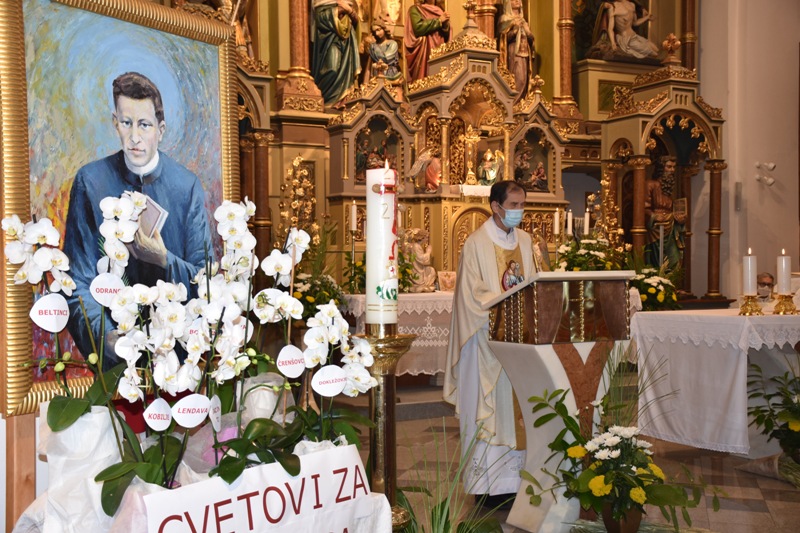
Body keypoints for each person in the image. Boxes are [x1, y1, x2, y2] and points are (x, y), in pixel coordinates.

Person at [63, 72, 211, 370]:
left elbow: (205, 279)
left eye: (144, 125)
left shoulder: (186, 187)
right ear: (114, 123)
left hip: (174, 361)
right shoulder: (90, 182)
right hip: (114, 363)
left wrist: (164, 259)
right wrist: (107, 337)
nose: (134, 137)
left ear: (161, 129)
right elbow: (77, 281)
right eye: (126, 123)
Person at [444, 180, 537, 502]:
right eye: (513, 205)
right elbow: (471, 295)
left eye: (522, 205)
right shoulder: (476, 244)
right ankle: (488, 488)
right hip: (485, 341)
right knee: (490, 411)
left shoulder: (526, 241)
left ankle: (518, 483)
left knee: (521, 411)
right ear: (495, 207)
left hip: (520, 344)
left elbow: (536, 283)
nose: (518, 211)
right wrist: (504, 309)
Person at [311, 0, 361, 105]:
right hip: (329, 40)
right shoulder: (322, 2)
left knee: (347, 70)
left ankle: (343, 102)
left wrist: (350, 10)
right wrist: (340, 10)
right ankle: (326, 100)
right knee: (332, 68)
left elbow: (356, 20)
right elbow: (320, 18)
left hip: (347, 42)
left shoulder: (349, 2)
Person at [644, 156, 685, 271]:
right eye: (669, 167)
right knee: (658, 262)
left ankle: (671, 281)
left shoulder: (668, 188)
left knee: (674, 260)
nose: (672, 170)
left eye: (674, 167)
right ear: (661, 168)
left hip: (670, 228)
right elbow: (643, 208)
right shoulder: (650, 184)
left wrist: (679, 218)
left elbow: (672, 209)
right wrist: (654, 216)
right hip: (656, 229)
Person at [589, 0, 658, 60]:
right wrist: (613, 43)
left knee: (656, 49)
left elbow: (635, 23)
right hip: (626, 39)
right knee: (654, 54)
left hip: (634, 36)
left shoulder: (632, 5)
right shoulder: (613, 7)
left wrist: (647, 18)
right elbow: (610, 29)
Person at [404, 0, 451, 84]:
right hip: (425, 51)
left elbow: (446, 36)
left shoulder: (440, 10)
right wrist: (439, 21)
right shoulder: (416, 9)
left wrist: (446, 25)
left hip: (440, 48)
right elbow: (418, 28)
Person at [498, 0, 535, 101]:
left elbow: (531, 39)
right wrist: (515, 29)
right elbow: (502, 39)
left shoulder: (524, 21)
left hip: (524, 53)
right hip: (513, 51)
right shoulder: (504, 19)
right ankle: (514, 103)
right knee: (518, 78)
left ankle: (521, 101)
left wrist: (528, 33)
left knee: (525, 78)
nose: (517, 1)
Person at [406, 228, 437, 293]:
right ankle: (421, 285)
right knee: (431, 270)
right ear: (422, 238)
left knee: (431, 270)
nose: (427, 239)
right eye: (426, 238)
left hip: (420, 268)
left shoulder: (418, 246)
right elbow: (422, 259)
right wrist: (428, 252)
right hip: (416, 270)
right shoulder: (416, 246)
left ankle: (425, 285)